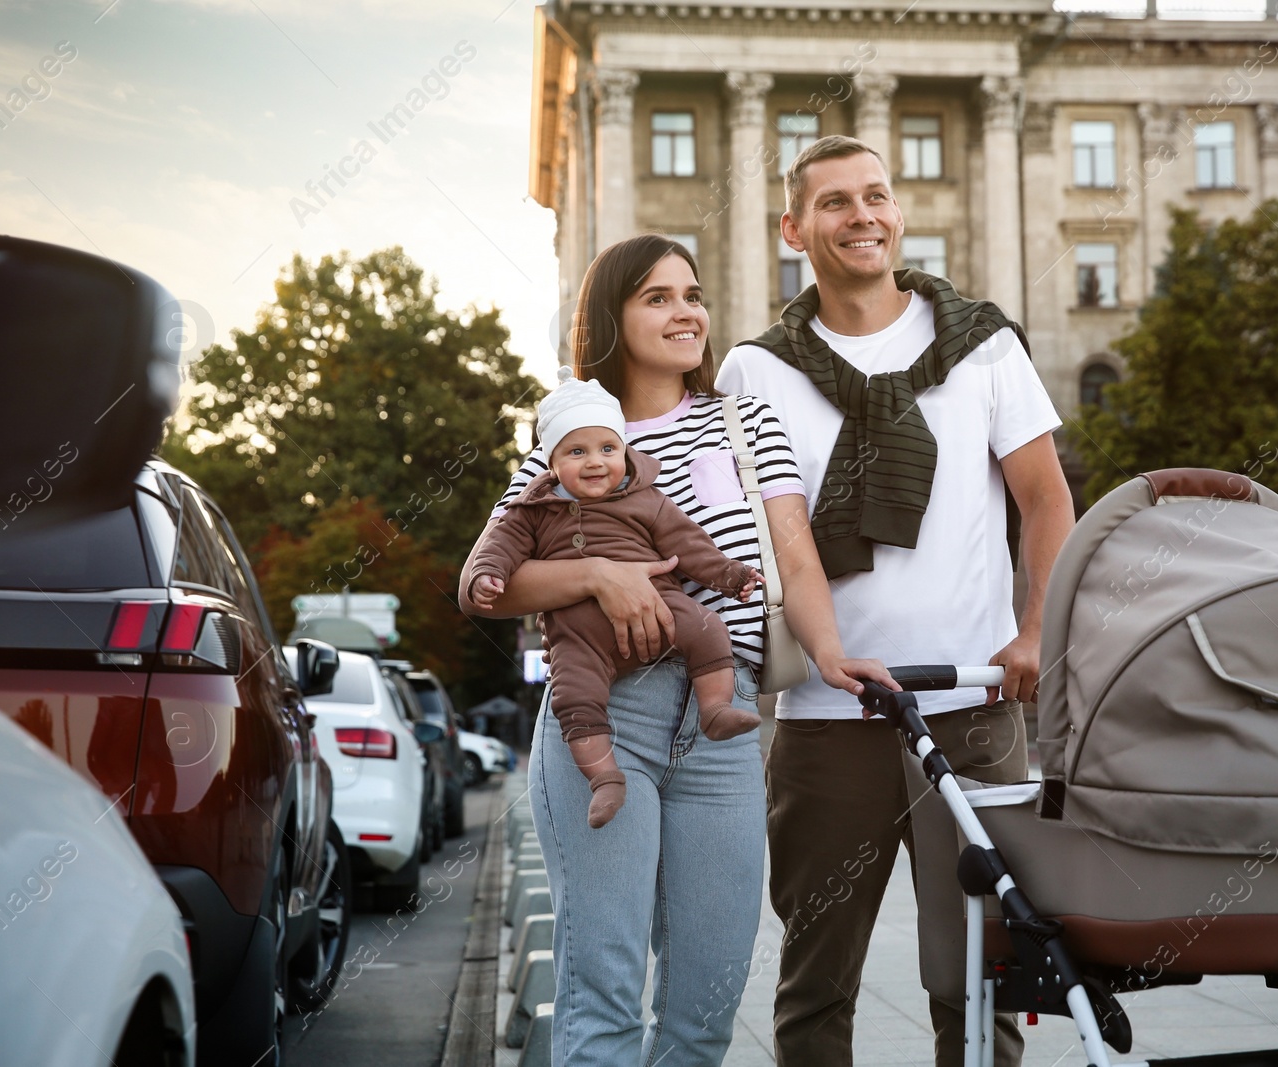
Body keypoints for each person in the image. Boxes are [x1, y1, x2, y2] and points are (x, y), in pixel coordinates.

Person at [459, 233, 892, 1067]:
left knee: (705, 1008)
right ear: (612, 316)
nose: (686, 311)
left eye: (692, 294)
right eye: (658, 296)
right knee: (606, 997)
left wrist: (830, 653)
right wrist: (596, 573)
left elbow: (793, 554)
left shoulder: (743, 421)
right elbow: (487, 582)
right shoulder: (573, 438)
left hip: (722, 727)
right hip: (605, 718)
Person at [716, 135, 1077, 1067]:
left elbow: (1046, 499)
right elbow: (778, 539)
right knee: (815, 986)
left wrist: (1039, 628)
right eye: (835, 202)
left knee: (979, 978)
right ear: (794, 228)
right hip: (826, 719)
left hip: (974, 709)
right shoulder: (757, 371)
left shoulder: (983, 344)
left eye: (875, 195)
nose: (862, 215)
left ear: (899, 212)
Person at [462, 368, 764, 828]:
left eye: (608, 449)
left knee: (707, 628)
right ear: (551, 463)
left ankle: (716, 709)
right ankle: (605, 778)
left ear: (625, 450)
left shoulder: (647, 500)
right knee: (574, 697)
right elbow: (498, 549)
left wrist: (731, 575)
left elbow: (690, 546)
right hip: (579, 639)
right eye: (576, 452)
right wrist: (488, 575)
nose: (595, 462)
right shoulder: (532, 511)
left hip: (661, 609)